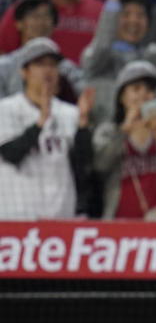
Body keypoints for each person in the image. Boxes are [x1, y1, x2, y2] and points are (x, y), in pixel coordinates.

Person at [0, 37, 94, 220]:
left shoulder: (70, 112)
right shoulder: (5, 109)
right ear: (23, 72)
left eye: (53, 65)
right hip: (15, 217)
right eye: (40, 64)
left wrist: (83, 124)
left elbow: (84, 164)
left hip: (60, 216)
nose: (48, 70)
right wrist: (41, 121)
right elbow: (11, 154)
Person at [92, 60, 156, 220]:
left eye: (150, 89)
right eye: (136, 89)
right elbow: (100, 166)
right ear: (122, 97)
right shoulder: (108, 131)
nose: (143, 95)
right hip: (120, 222)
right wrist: (124, 131)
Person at [0, 0, 85, 100]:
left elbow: (83, 100)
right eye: (34, 16)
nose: (41, 22)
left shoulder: (68, 69)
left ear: (54, 25)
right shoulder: (3, 66)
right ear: (19, 23)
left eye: (46, 16)